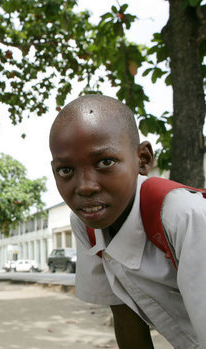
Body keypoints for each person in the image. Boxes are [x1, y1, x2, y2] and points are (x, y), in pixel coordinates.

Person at [48, 94, 206, 349]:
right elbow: (124, 313)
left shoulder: (184, 216)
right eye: (66, 170)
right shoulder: (87, 223)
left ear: (142, 159)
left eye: (105, 162)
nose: (85, 187)